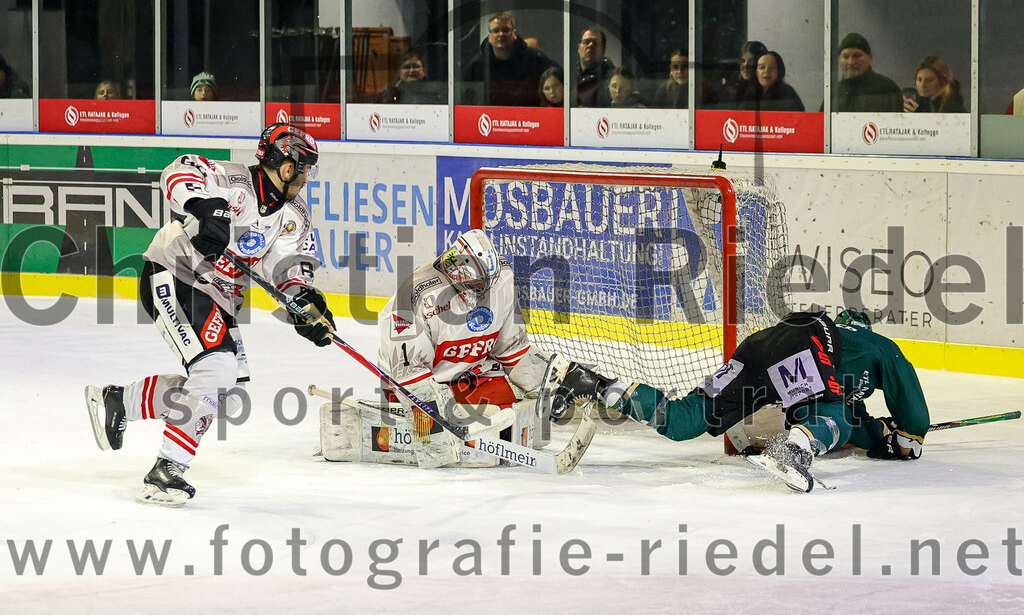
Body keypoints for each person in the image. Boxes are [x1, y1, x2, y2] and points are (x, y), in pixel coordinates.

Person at [85, 123, 334, 507]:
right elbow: (177, 169)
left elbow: (288, 270)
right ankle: (167, 470)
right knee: (216, 367)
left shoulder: (295, 216)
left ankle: (123, 401)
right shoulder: (228, 180)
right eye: (304, 168)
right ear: (286, 165)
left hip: (219, 296)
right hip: (174, 272)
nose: (305, 178)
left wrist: (306, 304)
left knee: (229, 396)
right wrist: (202, 204)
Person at [548, 309, 930, 491]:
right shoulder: (879, 348)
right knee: (835, 416)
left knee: (685, 421)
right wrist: (908, 437)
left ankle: (597, 383)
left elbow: (843, 411)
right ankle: (794, 451)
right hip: (805, 339)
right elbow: (911, 411)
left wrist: (879, 434)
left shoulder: (833, 367)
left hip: (759, 348)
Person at [356, 229, 554, 468]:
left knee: (505, 416)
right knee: (434, 441)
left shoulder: (501, 277)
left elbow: (511, 349)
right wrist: (437, 423)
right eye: (476, 282)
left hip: (471, 374)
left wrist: (549, 382)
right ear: (457, 273)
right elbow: (410, 376)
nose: (484, 288)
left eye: (487, 280)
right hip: (419, 383)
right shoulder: (413, 297)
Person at [462, 12, 557, 107]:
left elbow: (558, 82)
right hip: (491, 120)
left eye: (505, 30)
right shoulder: (476, 66)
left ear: (514, 34)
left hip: (530, 119)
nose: (501, 34)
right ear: (489, 37)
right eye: (495, 30)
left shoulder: (536, 59)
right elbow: (466, 101)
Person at [833, 33, 901, 112]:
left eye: (857, 56)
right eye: (846, 57)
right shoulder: (834, 93)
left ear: (870, 57)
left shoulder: (887, 89)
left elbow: (899, 122)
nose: (851, 62)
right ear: (839, 59)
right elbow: (821, 122)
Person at [652, 49, 716, 109]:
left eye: (685, 67)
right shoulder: (665, 87)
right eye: (675, 67)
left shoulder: (703, 86)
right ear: (670, 70)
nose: (680, 71)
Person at [719, 40, 768, 109]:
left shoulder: (770, 92)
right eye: (743, 61)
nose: (745, 65)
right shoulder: (733, 90)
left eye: (751, 61)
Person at [574, 26, 615, 107]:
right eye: (587, 41)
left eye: (596, 43)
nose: (590, 45)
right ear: (579, 48)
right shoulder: (568, 77)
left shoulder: (612, 80)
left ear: (603, 50)